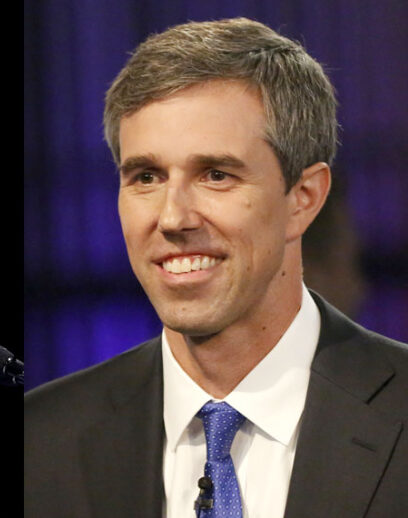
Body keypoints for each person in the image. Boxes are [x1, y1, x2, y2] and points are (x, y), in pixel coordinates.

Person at [25, 18, 407, 518]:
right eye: (146, 176)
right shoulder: (39, 439)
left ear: (303, 198)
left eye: (216, 174)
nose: (172, 217)